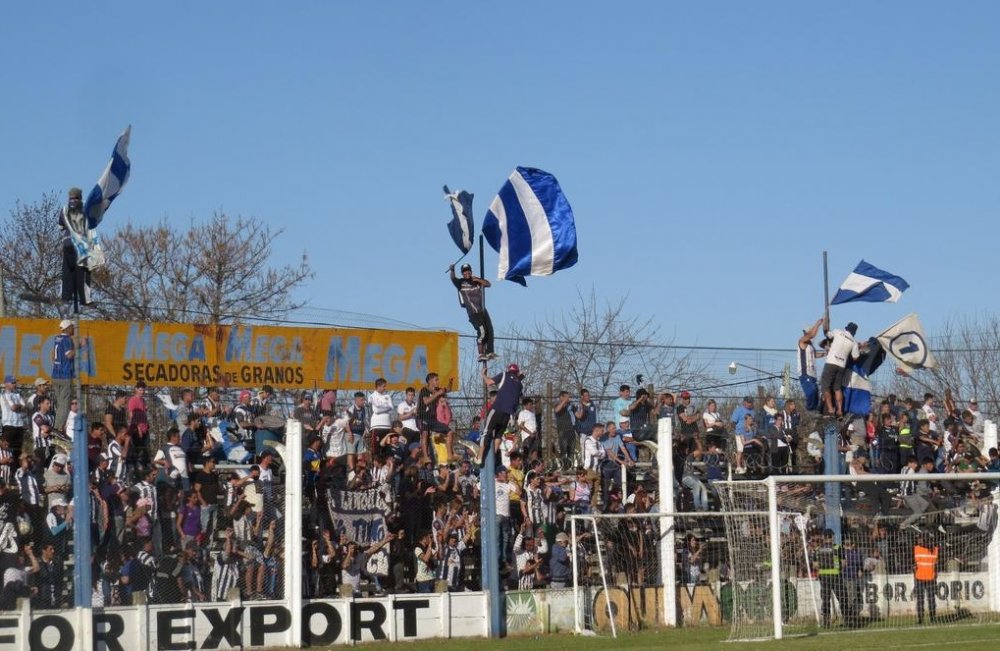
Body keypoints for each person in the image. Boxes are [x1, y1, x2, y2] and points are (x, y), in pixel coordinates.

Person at [477, 364, 524, 467]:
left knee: (486, 432)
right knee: (498, 434)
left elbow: (489, 382)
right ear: (517, 372)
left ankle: (479, 457)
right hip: (508, 415)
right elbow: (515, 386)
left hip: (497, 409)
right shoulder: (520, 385)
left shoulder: (504, 374)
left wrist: (483, 375)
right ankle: (492, 455)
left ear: (508, 370)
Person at [449, 263, 495, 362]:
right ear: (462, 273)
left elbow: (488, 284)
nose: (467, 272)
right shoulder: (461, 283)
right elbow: (453, 279)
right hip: (473, 312)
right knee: (482, 332)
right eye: (464, 271)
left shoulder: (476, 281)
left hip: (482, 309)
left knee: (490, 330)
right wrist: (452, 270)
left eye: (468, 270)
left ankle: (490, 352)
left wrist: (478, 280)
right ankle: (481, 354)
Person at [820, 322, 860, 417]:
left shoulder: (838, 332)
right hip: (842, 365)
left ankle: (830, 409)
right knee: (837, 388)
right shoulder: (853, 342)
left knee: (825, 386)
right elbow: (855, 358)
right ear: (854, 332)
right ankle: (840, 410)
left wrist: (824, 325)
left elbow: (827, 334)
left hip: (831, 362)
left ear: (846, 328)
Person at [797, 317, 828, 412]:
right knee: (811, 392)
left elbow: (814, 355)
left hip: (812, 374)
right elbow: (812, 334)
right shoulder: (802, 341)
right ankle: (809, 410)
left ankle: (815, 410)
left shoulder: (810, 346)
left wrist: (825, 353)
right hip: (805, 373)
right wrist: (817, 324)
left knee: (816, 395)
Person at [913, 532, 938, 624]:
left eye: (920, 538)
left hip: (929, 578)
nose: (918, 540)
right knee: (921, 599)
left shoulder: (934, 549)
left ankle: (932, 617)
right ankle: (921, 618)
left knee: (930, 599)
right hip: (921, 577)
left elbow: (936, 564)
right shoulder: (916, 549)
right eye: (918, 538)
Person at [0, 376, 27, 460]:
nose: (15, 384)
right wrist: (20, 405)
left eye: (15, 382)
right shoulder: (4, 395)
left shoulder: (17, 394)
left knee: (18, 451)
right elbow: (13, 408)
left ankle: (16, 470)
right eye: (13, 383)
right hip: (9, 426)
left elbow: (25, 407)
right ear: (6, 384)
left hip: (19, 425)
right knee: (7, 450)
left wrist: (19, 406)